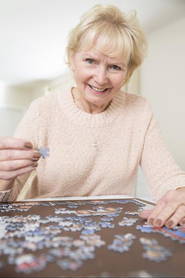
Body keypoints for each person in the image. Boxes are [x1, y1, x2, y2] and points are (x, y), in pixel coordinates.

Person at [0, 4, 185, 229]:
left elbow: (166, 175)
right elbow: (6, 201)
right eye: (90, 61)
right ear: (72, 58)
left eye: (115, 67)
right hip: (45, 230)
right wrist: (3, 178)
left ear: (128, 72)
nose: (100, 78)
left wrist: (180, 193)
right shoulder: (41, 110)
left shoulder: (139, 110)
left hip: (111, 232)